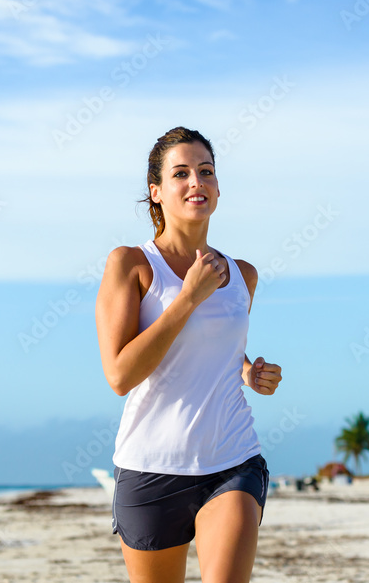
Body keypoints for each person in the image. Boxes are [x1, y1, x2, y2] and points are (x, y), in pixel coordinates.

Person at [95, 126, 283, 583]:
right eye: (181, 173)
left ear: (218, 189)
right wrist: (187, 298)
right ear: (156, 192)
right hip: (150, 466)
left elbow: (213, 349)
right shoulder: (131, 264)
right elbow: (120, 375)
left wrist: (248, 372)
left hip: (232, 459)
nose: (196, 182)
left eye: (206, 171)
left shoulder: (243, 275)